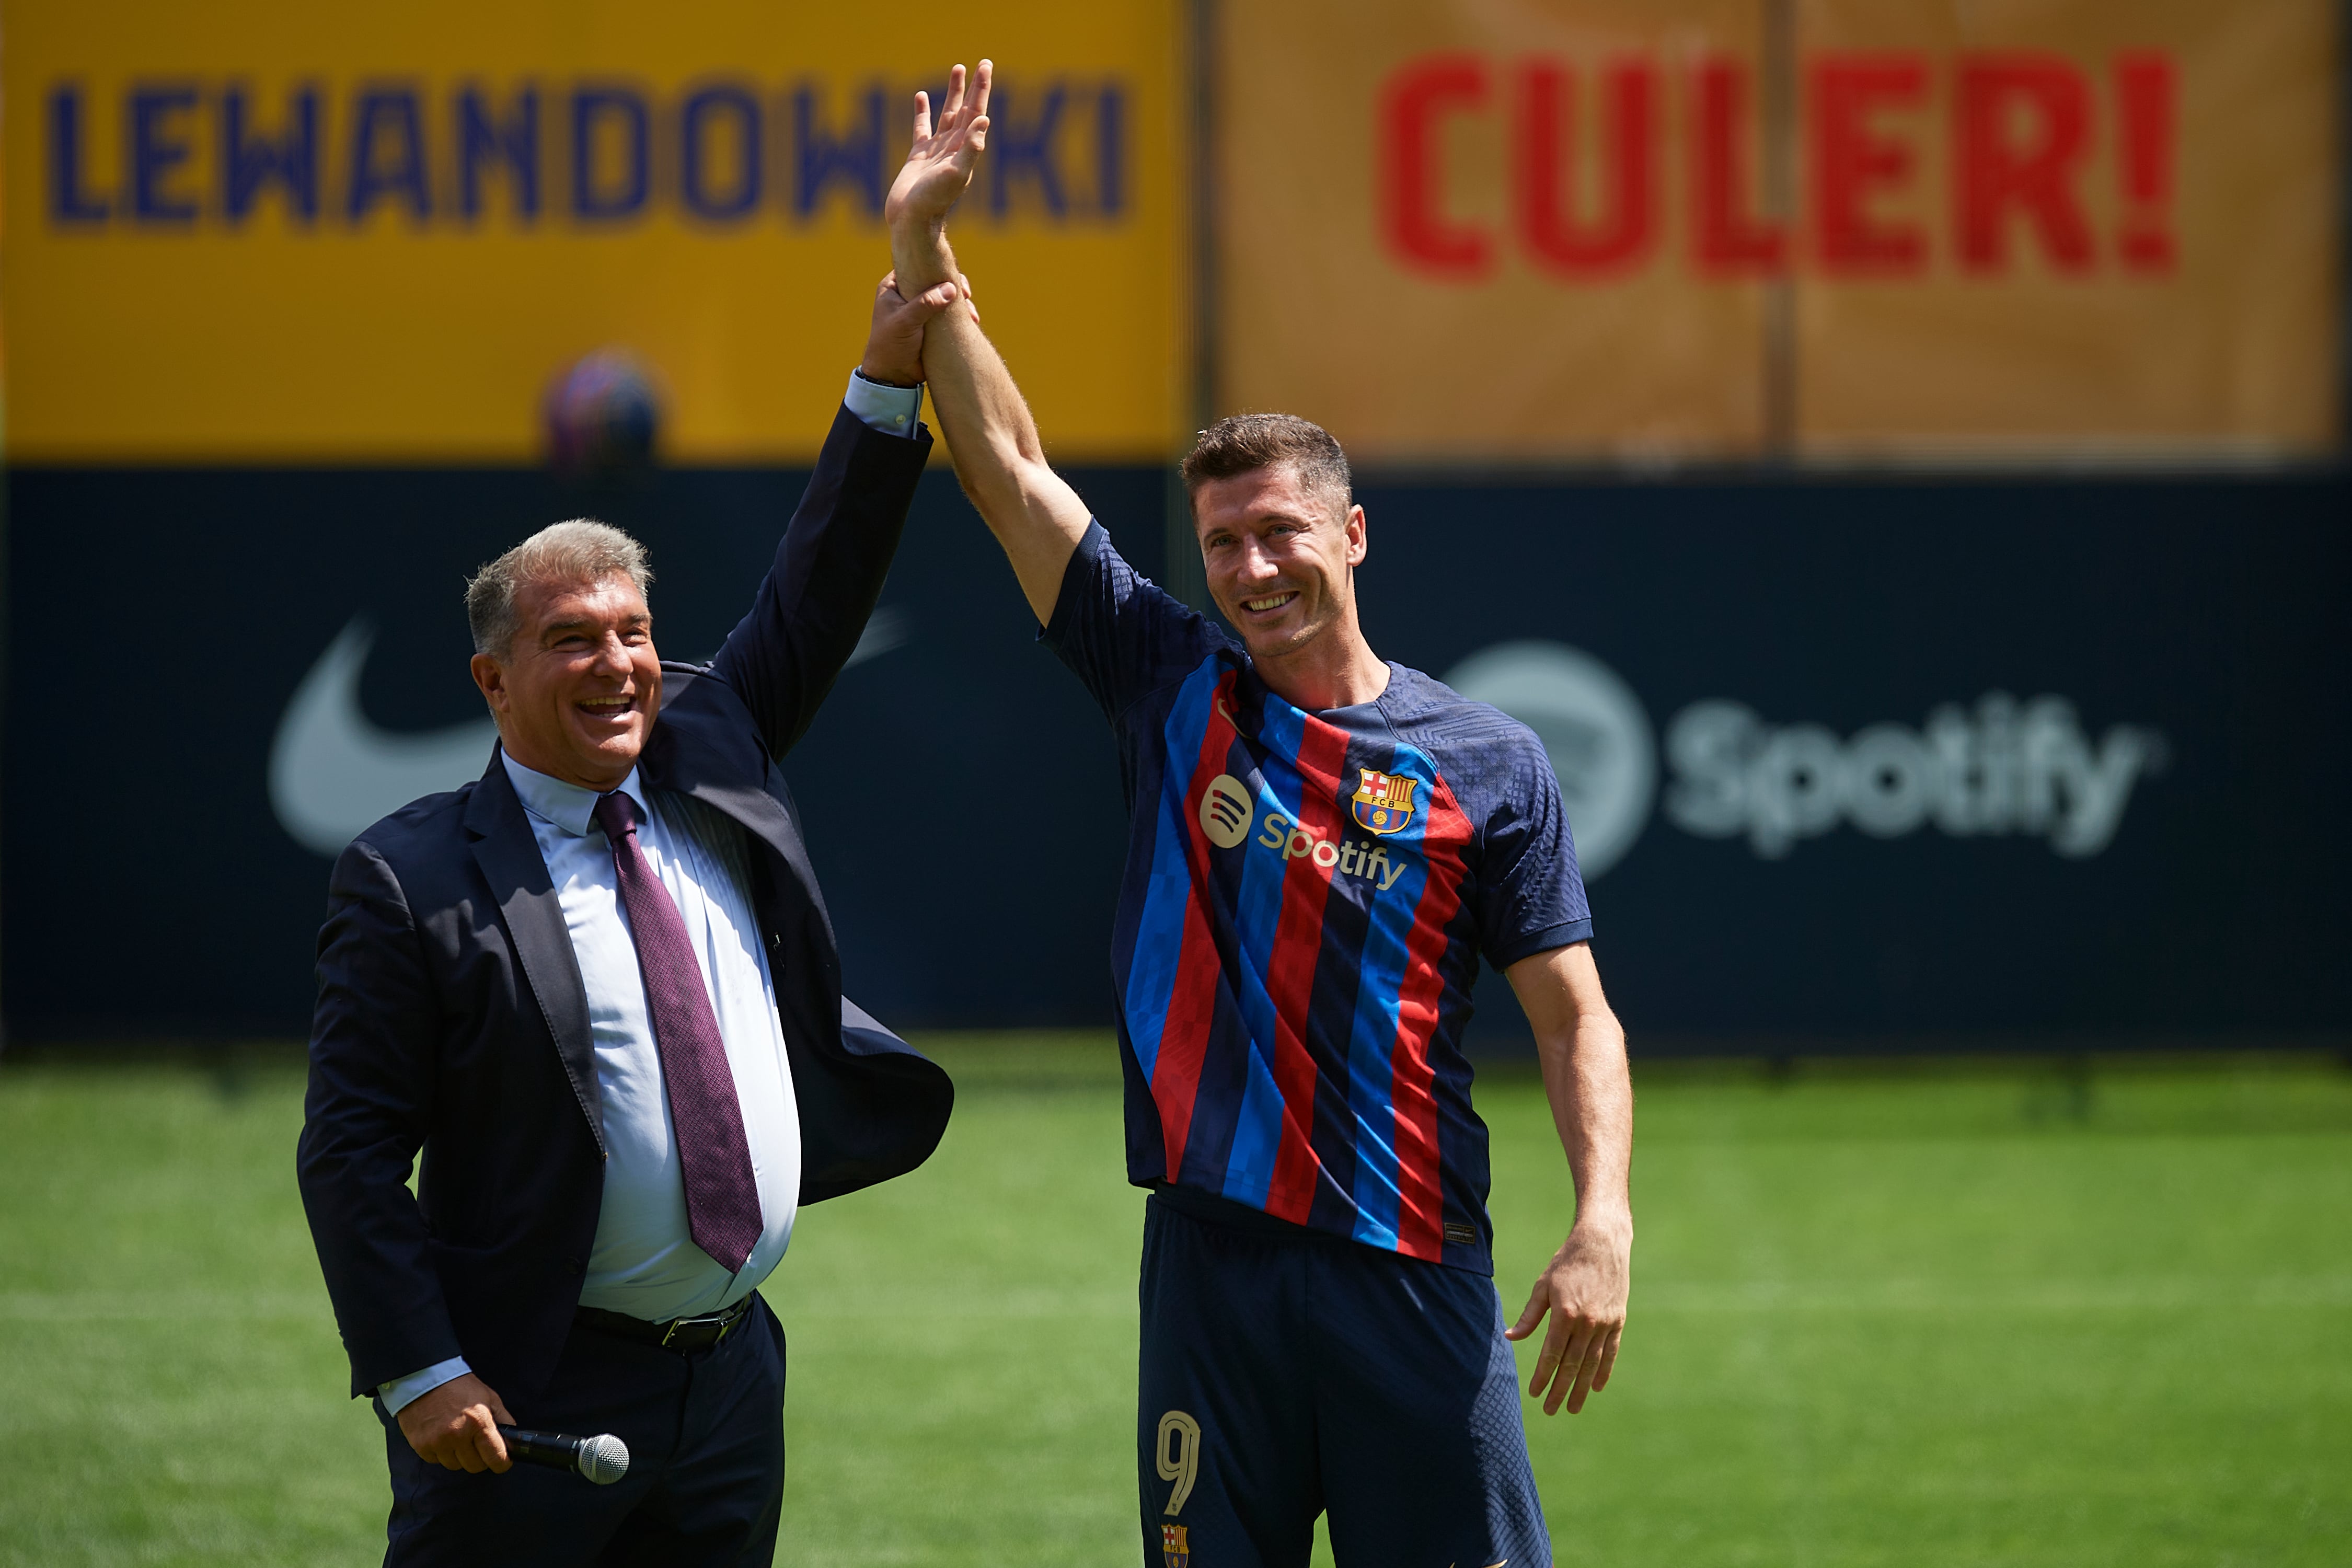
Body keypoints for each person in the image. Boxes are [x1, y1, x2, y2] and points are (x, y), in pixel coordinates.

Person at [882, 63, 1635, 1568]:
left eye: (1279, 531)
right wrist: (921, 252)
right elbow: (1011, 471)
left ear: (1350, 534)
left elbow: (1575, 1019)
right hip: (1209, 1276)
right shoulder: (1170, 683)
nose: (1249, 567)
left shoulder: (1485, 763)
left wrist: (1602, 1218)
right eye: (1222, 541)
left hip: (1412, 1268)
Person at [295, 266, 971, 1566]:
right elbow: (350, 1157)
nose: (617, 664)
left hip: (729, 1388)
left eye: (634, 632)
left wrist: (890, 366)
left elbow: (817, 584)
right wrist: (419, 1372)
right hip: (531, 1395)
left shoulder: (707, 750)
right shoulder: (411, 878)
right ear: (494, 681)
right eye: (571, 640)